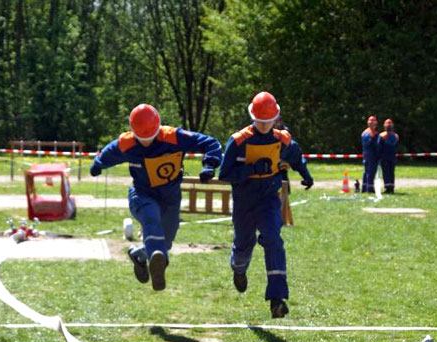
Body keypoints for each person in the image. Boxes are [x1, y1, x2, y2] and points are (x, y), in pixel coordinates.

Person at [90, 104, 222, 291]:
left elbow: (211, 143)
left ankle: (140, 255)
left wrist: (209, 165)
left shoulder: (174, 137)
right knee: (151, 218)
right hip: (142, 195)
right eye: (141, 138)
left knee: (166, 239)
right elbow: (108, 153)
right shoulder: (127, 142)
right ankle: (159, 264)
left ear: (158, 129)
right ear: (133, 131)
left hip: (171, 197)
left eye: (150, 138)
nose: (146, 142)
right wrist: (98, 165)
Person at [218, 92, 313, 318]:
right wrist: (251, 170)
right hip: (244, 202)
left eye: (268, 121)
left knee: (273, 239)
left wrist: (306, 174)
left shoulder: (283, 139)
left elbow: (297, 156)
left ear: (276, 118)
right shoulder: (238, 140)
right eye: (260, 121)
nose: (264, 125)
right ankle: (239, 269)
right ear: (253, 118)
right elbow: (224, 174)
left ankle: (277, 298)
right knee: (243, 245)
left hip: (269, 200)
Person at [378, 118, 399, 194]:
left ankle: (387, 188)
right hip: (392, 157)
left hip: (384, 157)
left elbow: (378, 146)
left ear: (385, 126)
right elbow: (396, 146)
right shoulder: (396, 136)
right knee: (391, 172)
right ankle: (392, 188)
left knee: (386, 172)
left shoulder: (382, 135)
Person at [360, 115, 379, 193]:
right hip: (372, 155)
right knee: (371, 172)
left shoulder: (364, 133)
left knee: (366, 171)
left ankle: (364, 188)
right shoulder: (373, 134)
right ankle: (370, 188)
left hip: (366, 155)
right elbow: (376, 145)